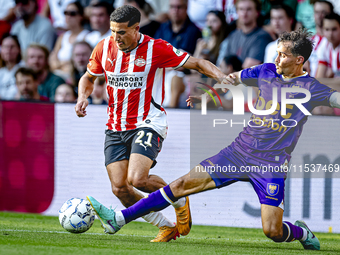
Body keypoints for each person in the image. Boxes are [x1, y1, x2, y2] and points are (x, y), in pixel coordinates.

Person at [86, 28, 340, 250]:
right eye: (277, 52)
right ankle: (118, 219)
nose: (276, 59)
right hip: (237, 153)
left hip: (270, 165)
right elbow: (232, 80)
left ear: (299, 60)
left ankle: (301, 232)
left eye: (283, 55)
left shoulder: (311, 87)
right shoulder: (266, 70)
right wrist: (207, 98)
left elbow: (335, 99)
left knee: (272, 231)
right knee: (180, 186)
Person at [75, 5, 229, 242]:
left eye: (122, 32)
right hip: (115, 125)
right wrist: (82, 96)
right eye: (113, 31)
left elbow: (198, 63)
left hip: (148, 121)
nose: (116, 38)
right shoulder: (103, 47)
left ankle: (179, 198)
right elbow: (88, 77)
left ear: (136, 29)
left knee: (137, 179)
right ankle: (166, 227)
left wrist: (226, 80)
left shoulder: (156, 48)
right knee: (120, 188)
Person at [217, 0, 273, 68]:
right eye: (241, 9)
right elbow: (223, 64)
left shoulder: (263, 37)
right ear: (237, 12)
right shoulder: (233, 35)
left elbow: (248, 70)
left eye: (249, 9)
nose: (244, 13)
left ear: (257, 12)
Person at [49, 1, 89, 74]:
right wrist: (63, 65)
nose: (68, 16)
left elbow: (76, 64)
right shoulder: (62, 36)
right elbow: (52, 58)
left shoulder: (86, 36)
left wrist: (59, 65)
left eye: (72, 14)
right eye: (66, 13)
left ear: (81, 16)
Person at [306, 0, 333, 77]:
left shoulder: (334, 42)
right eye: (316, 12)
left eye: (323, 12)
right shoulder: (307, 41)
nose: (320, 15)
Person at [0, 34, 23, 100]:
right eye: (5, 47)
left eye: (12, 47)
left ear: (19, 49)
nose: (8, 50)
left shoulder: (24, 69)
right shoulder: (1, 72)